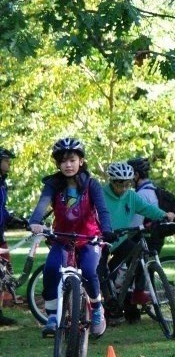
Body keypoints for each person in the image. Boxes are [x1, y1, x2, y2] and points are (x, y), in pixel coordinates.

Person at [28, 138, 114, 338]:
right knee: (50, 269)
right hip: (62, 238)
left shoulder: (92, 184)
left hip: (88, 238)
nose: (68, 165)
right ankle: (51, 315)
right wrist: (35, 221)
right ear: (58, 164)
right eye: (63, 161)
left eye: (72, 160)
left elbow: (102, 209)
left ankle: (97, 308)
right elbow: (42, 206)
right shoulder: (53, 185)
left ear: (81, 161)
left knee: (90, 271)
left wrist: (107, 229)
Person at [100, 162, 174, 324]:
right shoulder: (100, 194)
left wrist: (164, 215)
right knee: (101, 272)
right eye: (120, 183)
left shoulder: (131, 196)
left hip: (120, 240)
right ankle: (106, 308)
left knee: (136, 255)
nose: (125, 188)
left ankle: (131, 295)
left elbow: (147, 209)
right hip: (101, 241)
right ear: (112, 181)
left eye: (128, 183)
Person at [0, 147, 25, 326]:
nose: (9, 163)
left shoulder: (2, 183)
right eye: (6, 160)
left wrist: (12, 219)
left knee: (4, 273)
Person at [126, 157, 166, 254]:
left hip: (144, 241)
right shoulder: (153, 190)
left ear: (136, 175)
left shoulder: (141, 195)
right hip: (156, 239)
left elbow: (134, 226)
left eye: (129, 175)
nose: (128, 179)